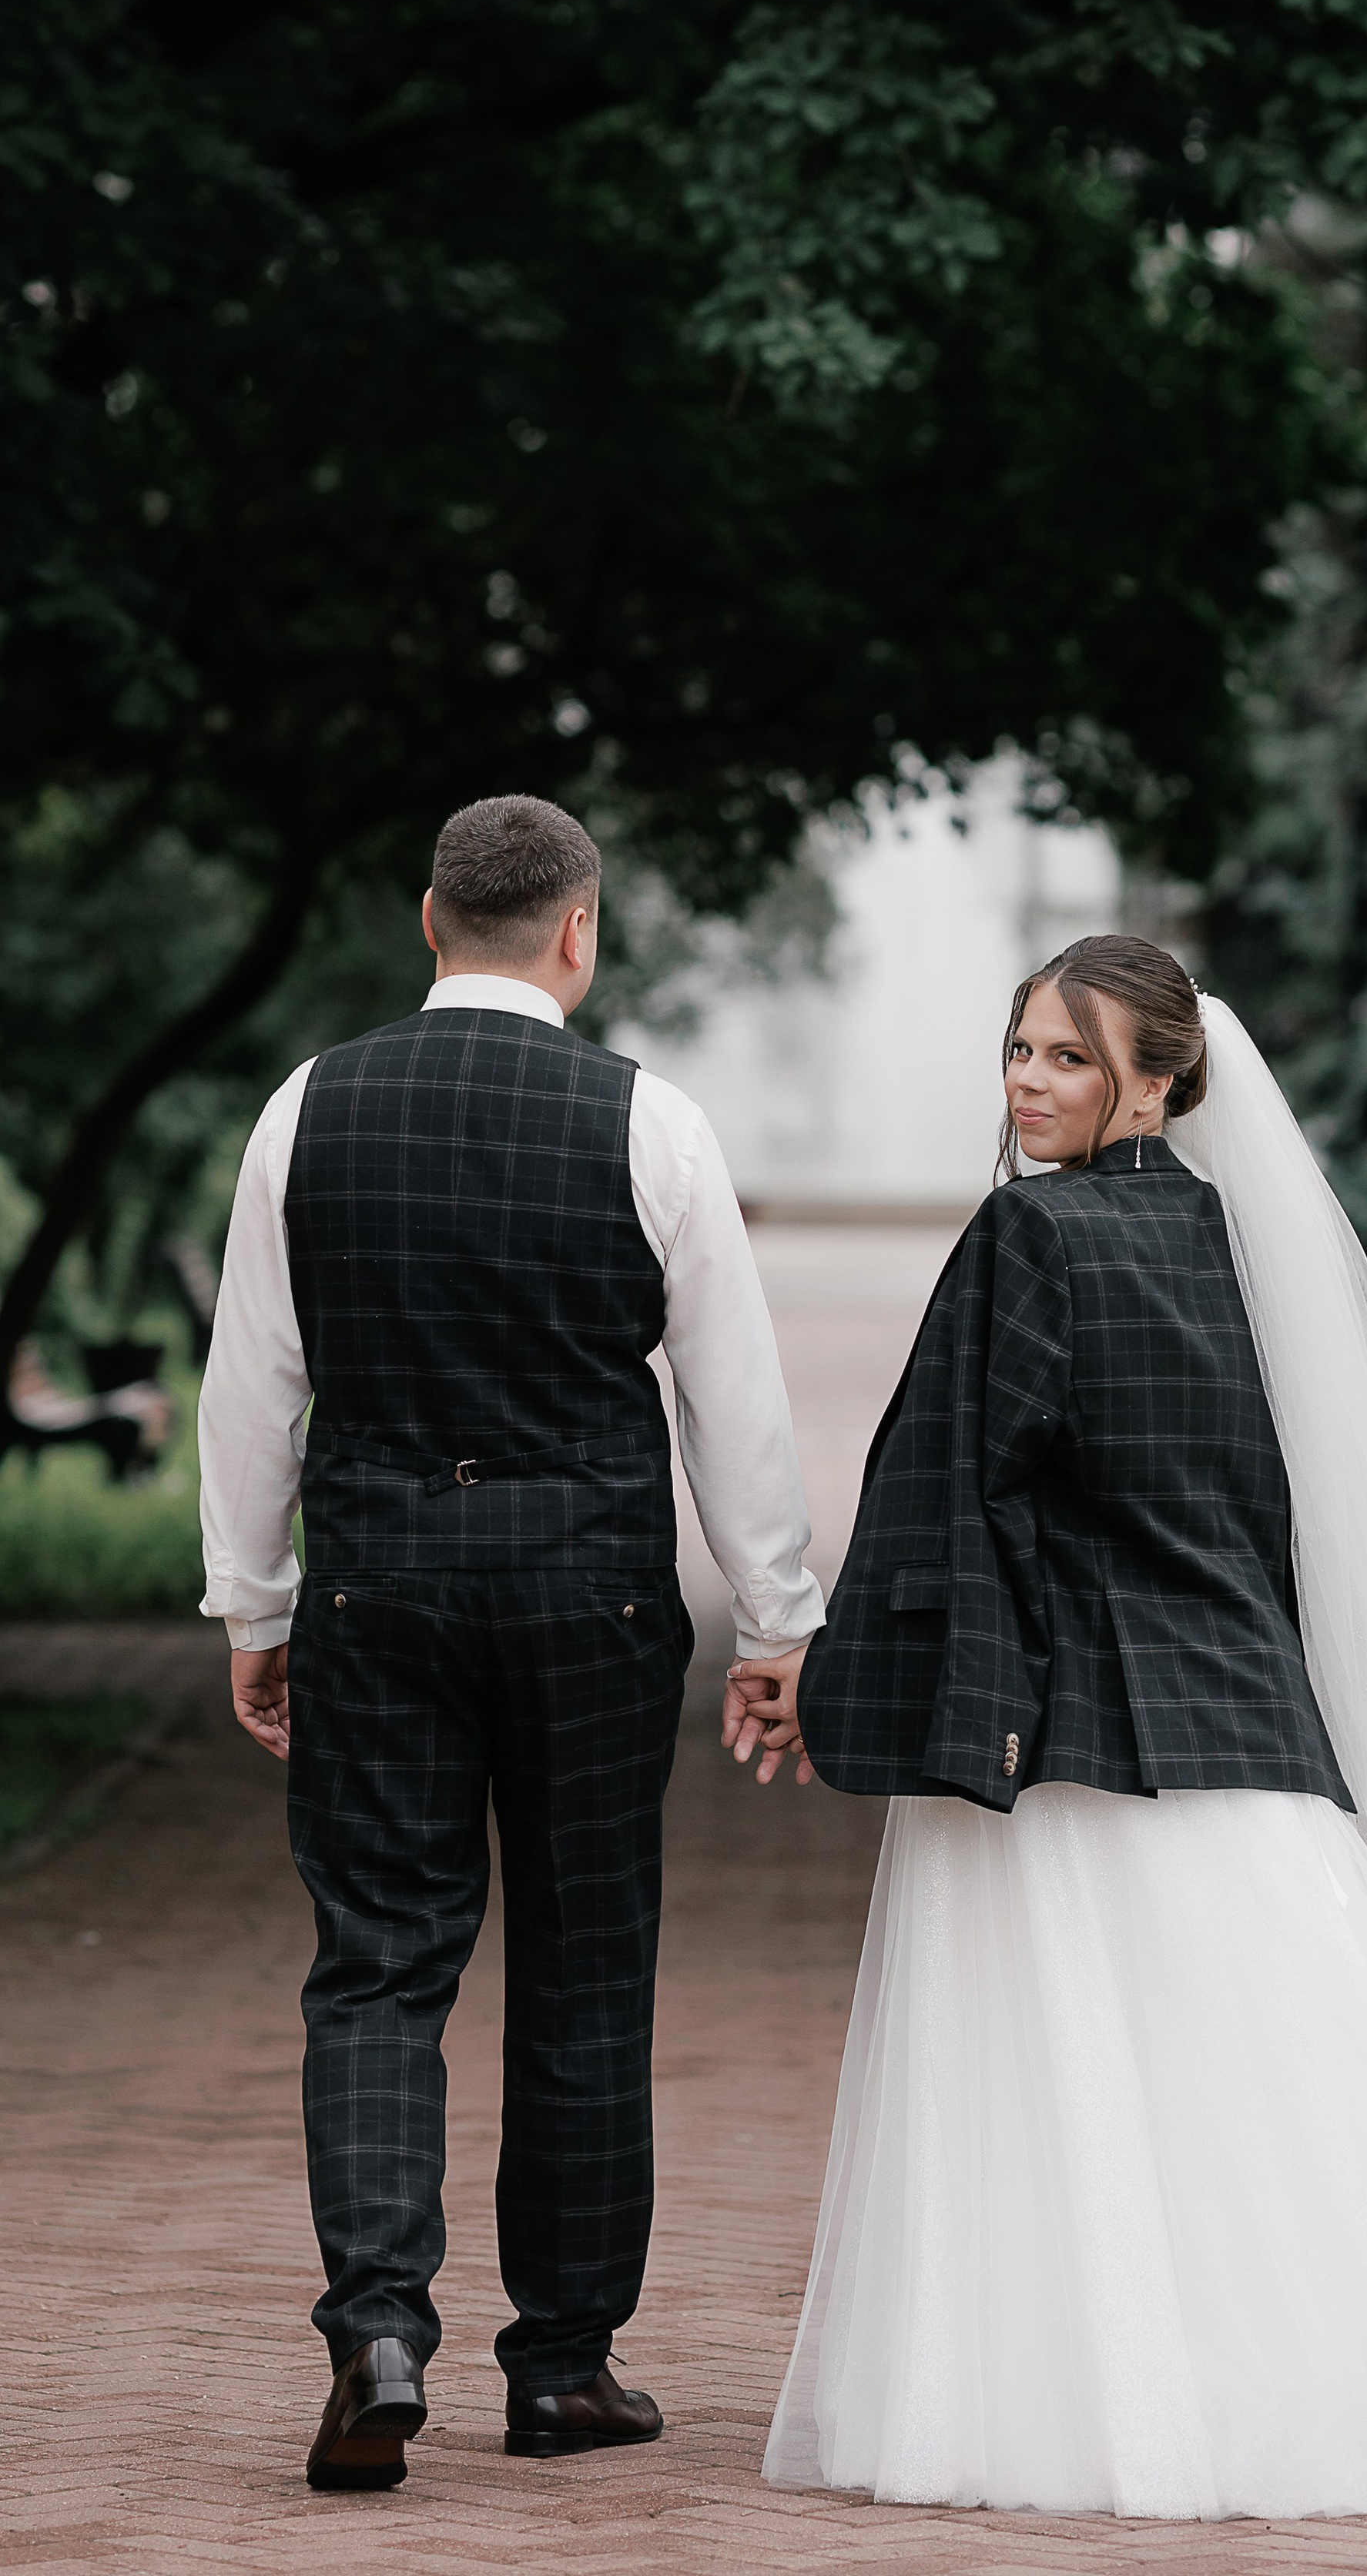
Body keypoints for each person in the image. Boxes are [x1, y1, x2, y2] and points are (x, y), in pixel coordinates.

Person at [729, 934, 1367, 2521]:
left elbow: (952, 1491)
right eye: (1019, 1049)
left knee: (1062, 2092)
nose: (1027, 1084)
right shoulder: (1253, 1249)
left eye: (1069, 1057)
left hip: (1068, 1727)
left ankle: (1081, 2412)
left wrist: (831, 1668)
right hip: (1243, 1711)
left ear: (1157, 1081)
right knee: (1289, 2082)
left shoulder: (1027, 1235)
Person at [199, 794, 823, 2492]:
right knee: (582, 1968)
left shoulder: (304, 1109)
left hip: (378, 1589)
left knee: (376, 1966)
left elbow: (255, 1385)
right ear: (578, 932)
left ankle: (377, 2333)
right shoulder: (653, 1124)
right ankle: (558, 2369)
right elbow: (732, 1403)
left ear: (428, 920)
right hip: (588, 1598)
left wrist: (255, 1604)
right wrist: (777, 1617)